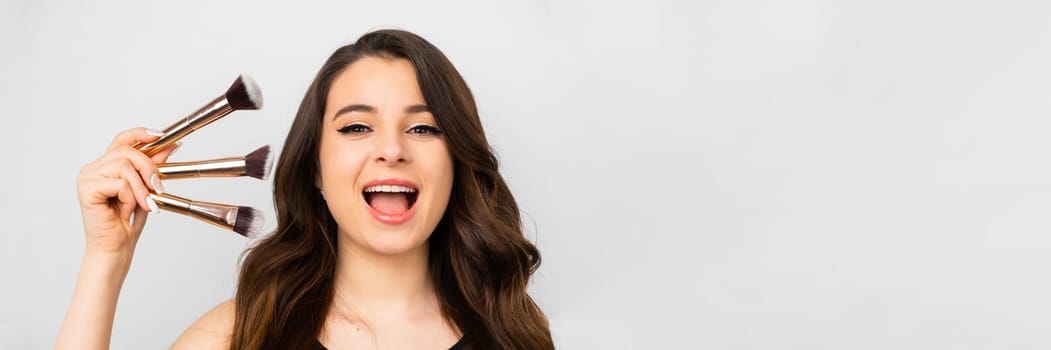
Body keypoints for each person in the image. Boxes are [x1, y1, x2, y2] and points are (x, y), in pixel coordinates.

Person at [57, 29, 554, 350]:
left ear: (457, 162)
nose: (391, 149)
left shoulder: (514, 335)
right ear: (314, 168)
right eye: (357, 127)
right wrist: (107, 257)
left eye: (423, 129)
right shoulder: (238, 335)